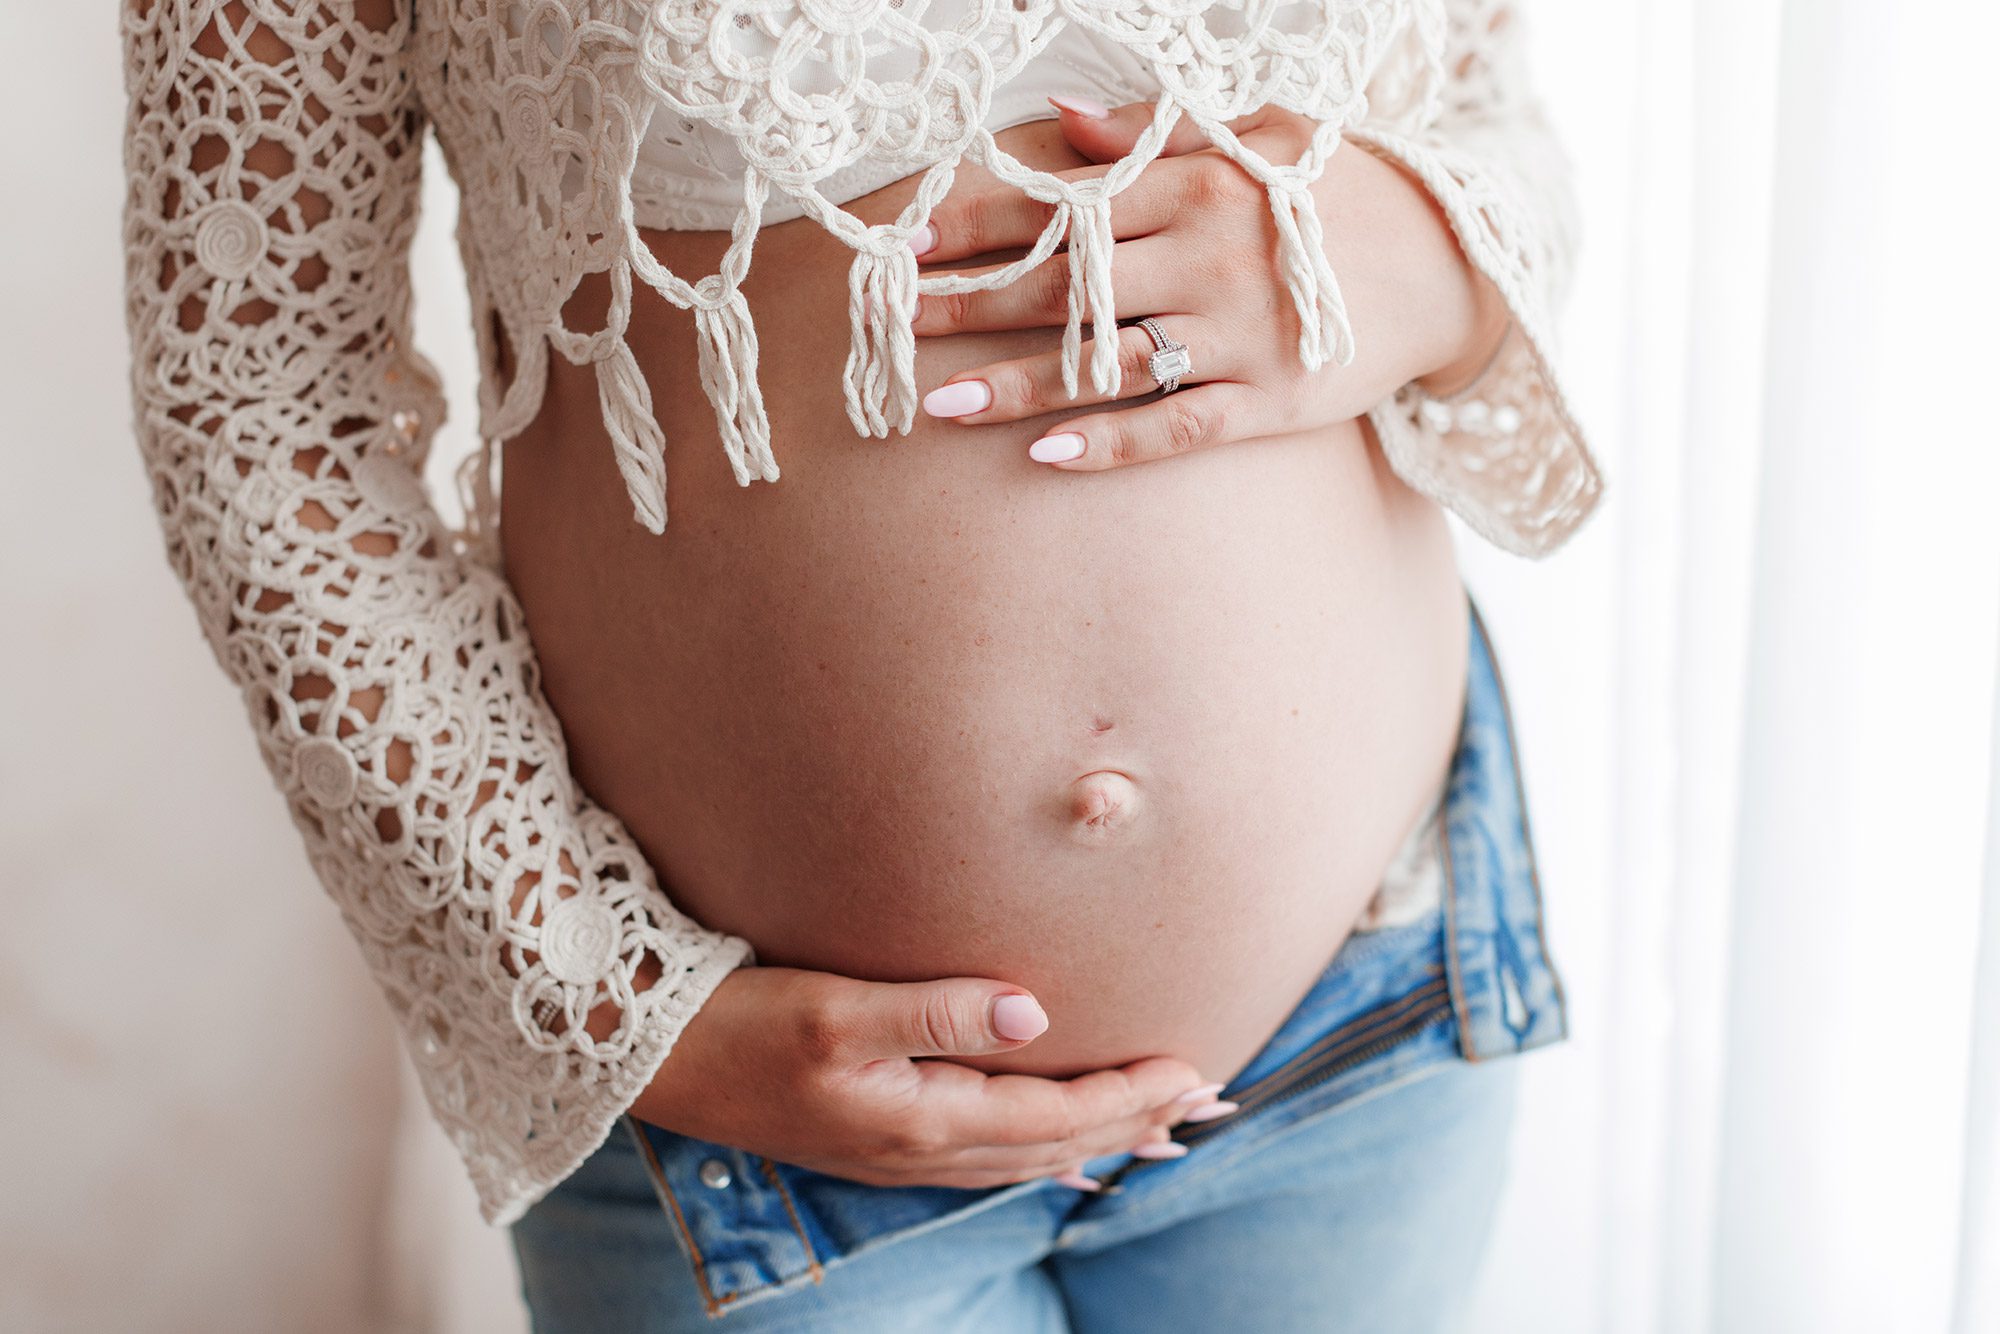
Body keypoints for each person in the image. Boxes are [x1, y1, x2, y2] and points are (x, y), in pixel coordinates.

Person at [118, 0, 1602, 1328]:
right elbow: (258, 402)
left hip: (1372, 1013)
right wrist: (610, 998)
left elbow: (1483, 107)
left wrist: (1429, 260)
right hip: (757, 1139)